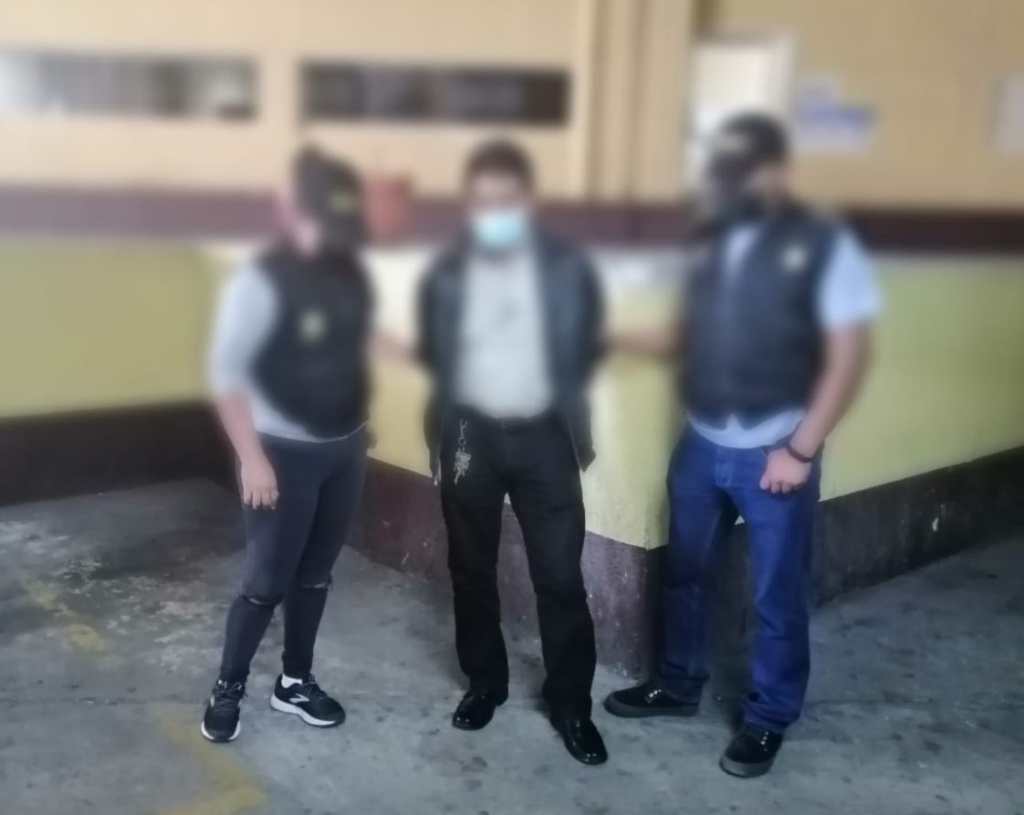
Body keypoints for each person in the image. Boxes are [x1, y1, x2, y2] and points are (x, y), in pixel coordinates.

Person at [605, 112, 881, 777]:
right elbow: (687, 334)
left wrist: (801, 450)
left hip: (774, 447)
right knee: (685, 572)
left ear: (780, 171)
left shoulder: (824, 245)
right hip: (702, 441)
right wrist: (609, 336)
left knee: (775, 593)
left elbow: (849, 356)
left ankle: (769, 716)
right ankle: (677, 684)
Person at [416, 140, 608, 765]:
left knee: (560, 577)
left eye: (506, 199)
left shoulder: (565, 267)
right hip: (470, 435)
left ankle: (571, 704)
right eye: (483, 200)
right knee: (471, 569)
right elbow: (436, 356)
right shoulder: (448, 270)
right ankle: (485, 682)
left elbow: (587, 344)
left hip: (545, 436)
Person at [200, 146, 373, 743]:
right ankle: (228, 687)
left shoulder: (348, 271)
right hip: (280, 454)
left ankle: (294, 682)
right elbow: (226, 374)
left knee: (316, 575)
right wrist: (252, 459)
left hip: (344, 449)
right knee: (265, 581)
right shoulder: (258, 279)